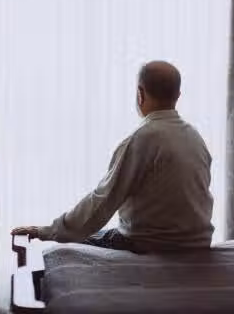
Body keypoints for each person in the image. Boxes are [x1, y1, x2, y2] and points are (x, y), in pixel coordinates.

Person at [11, 61, 214, 253]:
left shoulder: (143, 139)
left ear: (140, 94)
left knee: (66, 246)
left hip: (150, 243)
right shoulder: (195, 137)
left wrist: (47, 231)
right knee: (90, 234)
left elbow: (103, 200)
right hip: (197, 243)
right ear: (178, 95)